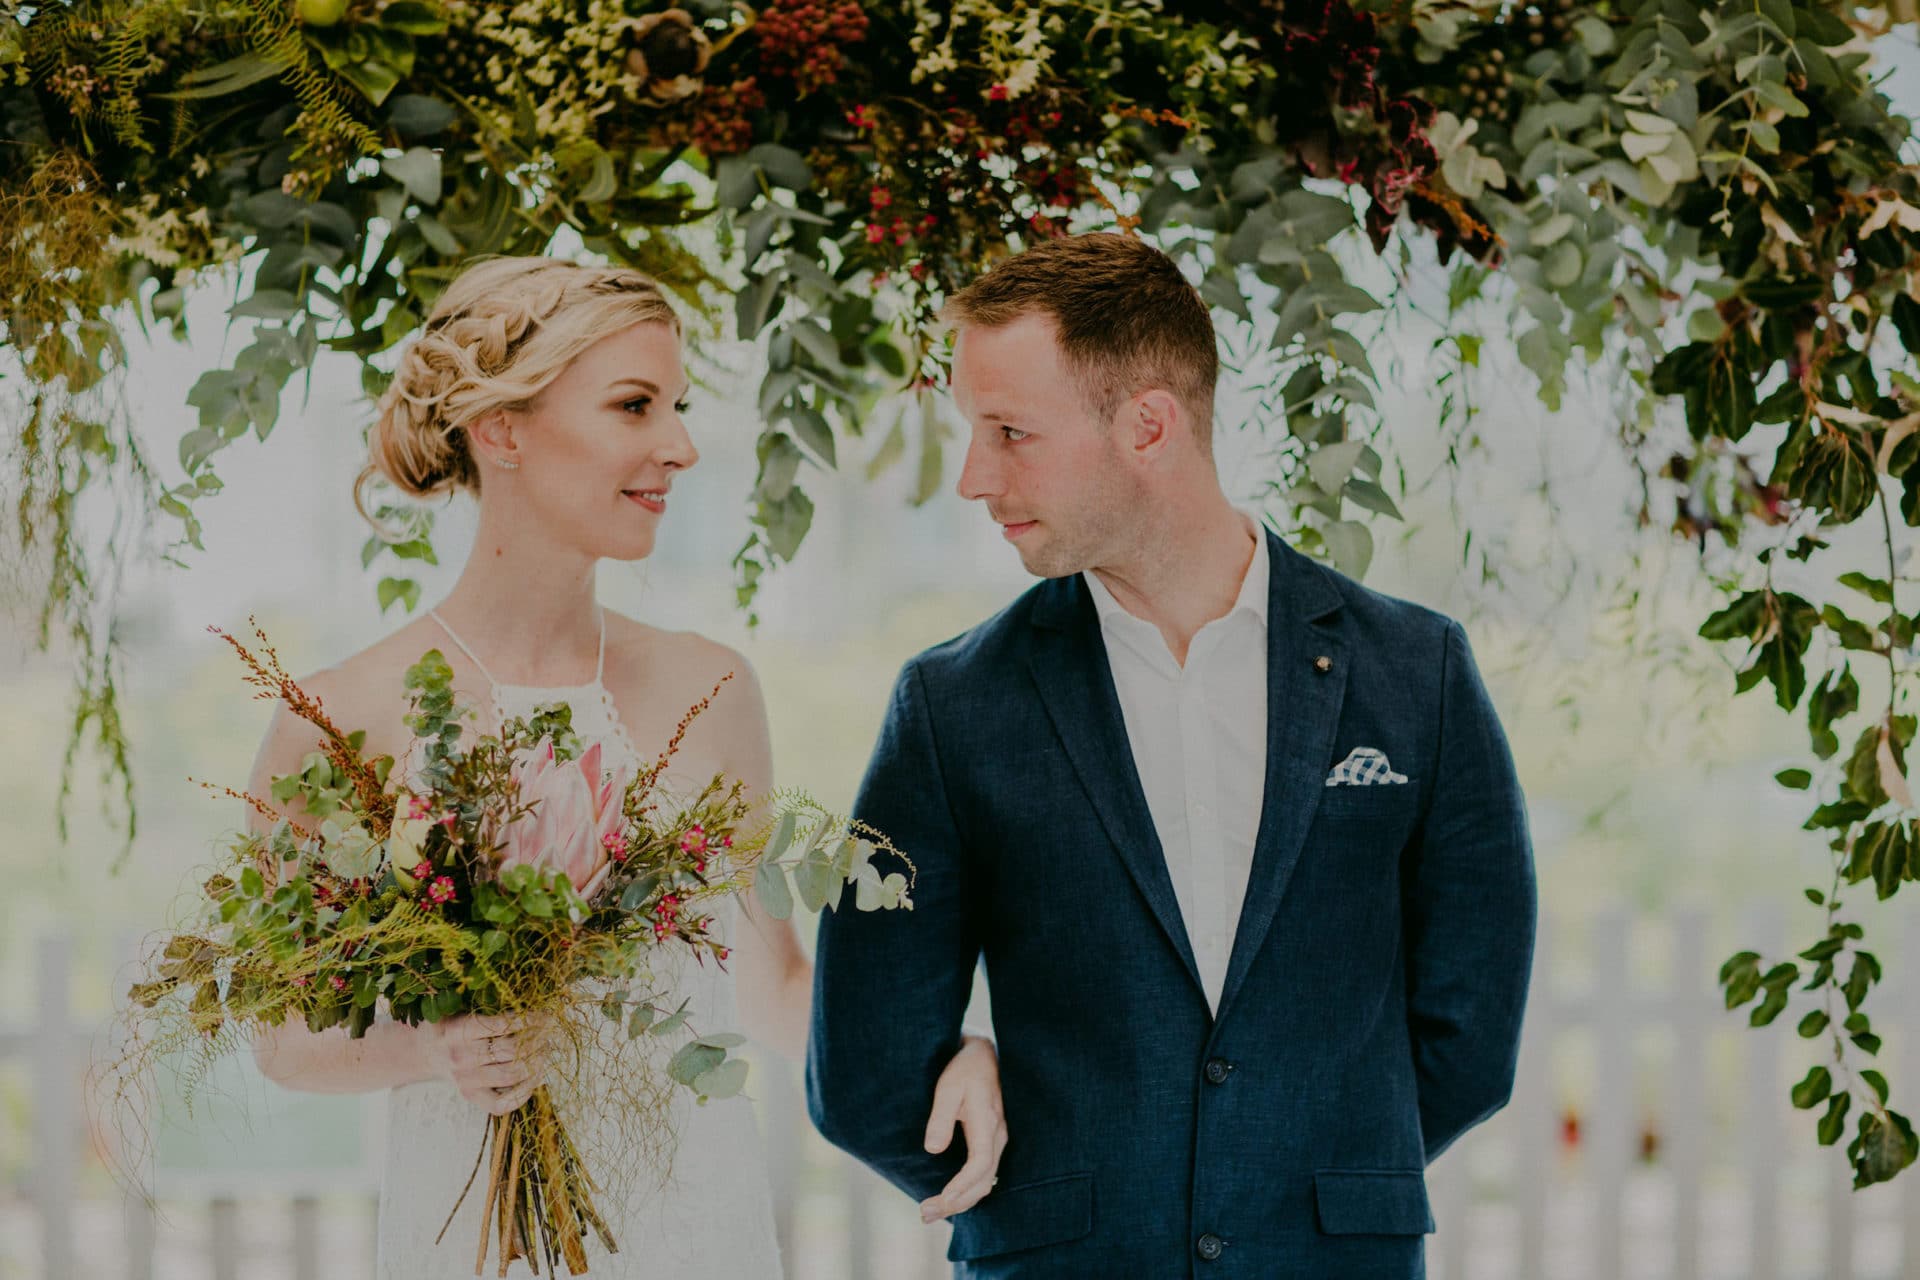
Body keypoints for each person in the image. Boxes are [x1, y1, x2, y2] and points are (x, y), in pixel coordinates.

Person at [247, 256, 1004, 1277]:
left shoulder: (712, 687)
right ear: (501, 428)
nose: (681, 446)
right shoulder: (341, 720)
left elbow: (771, 981)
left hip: (699, 1223)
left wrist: (944, 1054)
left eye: (678, 407)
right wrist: (434, 1046)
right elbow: (286, 1039)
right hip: (467, 1234)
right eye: (635, 405)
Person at [807, 232, 1537, 1278]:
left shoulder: (1416, 671)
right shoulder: (953, 704)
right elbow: (866, 1064)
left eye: (1011, 432)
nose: (974, 476)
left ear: (1148, 424)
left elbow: (1470, 1029)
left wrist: (1317, 1171)